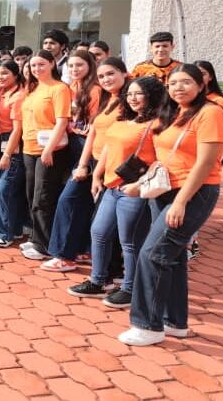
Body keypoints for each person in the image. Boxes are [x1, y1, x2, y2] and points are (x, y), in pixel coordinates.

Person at [118, 64, 223, 347]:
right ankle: (173, 321)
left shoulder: (211, 113)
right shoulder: (174, 112)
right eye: (173, 83)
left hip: (193, 193)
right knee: (174, 257)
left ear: (202, 84)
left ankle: (147, 325)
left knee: (152, 254)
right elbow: (165, 157)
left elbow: (205, 163)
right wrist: (142, 184)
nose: (178, 88)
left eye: (185, 82)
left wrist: (181, 202)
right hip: (164, 188)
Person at [68, 76, 165, 307]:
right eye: (129, 94)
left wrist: (140, 185)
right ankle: (99, 281)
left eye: (138, 94)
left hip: (133, 190)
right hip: (112, 187)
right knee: (99, 233)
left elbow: (162, 160)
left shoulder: (157, 124)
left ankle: (131, 288)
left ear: (151, 95)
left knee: (129, 242)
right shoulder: (123, 120)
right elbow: (109, 149)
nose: (132, 98)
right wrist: (98, 175)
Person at [42, 51, 102, 271]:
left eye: (80, 65)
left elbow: (93, 130)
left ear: (91, 66)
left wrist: (84, 164)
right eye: (71, 66)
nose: (75, 69)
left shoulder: (96, 90)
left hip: (88, 150)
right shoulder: (72, 88)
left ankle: (64, 256)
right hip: (74, 145)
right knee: (83, 203)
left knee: (68, 201)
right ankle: (82, 249)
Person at [19, 50, 73, 260]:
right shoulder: (33, 88)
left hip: (49, 151)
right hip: (29, 148)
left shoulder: (59, 89)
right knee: (32, 195)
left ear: (52, 64)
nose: (37, 69)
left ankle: (45, 245)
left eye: (41, 64)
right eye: (33, 66)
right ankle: (36, 237)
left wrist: (49, 149)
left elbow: (62, 121)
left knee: (43, 198)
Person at [0, 60, 27, 247]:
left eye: (5, 73)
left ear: (15, 74)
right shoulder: (2, 93)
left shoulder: (19, 96)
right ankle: (15, 228)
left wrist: (7, 154)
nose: (0, 77)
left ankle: (3, 234)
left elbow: (17, 129)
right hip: (1, 141)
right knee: (11, 190)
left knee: (4, 189)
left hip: (14, 145)